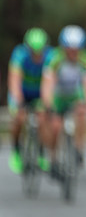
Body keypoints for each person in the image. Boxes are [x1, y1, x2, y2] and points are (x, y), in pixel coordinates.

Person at [41, 25, 86, 175]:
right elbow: (47, 85)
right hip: (58, 97)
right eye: (70, 49)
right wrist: (49, 104)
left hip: (75, 96)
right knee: (55, 127)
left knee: (82, 114)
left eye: (77, 49)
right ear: (63, 47)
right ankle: (53, 157)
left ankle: (79, 149)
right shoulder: (54, 59)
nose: (73, 53)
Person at [7, 27, 52, 173]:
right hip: (22, 92)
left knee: (42, 119)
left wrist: (48, 102)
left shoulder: (50, 56)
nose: (36, 55)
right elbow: (14, 80)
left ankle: (40, 153)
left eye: (39, 52)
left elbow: (51, 82)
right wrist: (18, 100)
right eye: (33, 51)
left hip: (40, 93)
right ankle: (16, 152)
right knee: (19, 118)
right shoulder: (20, 55)